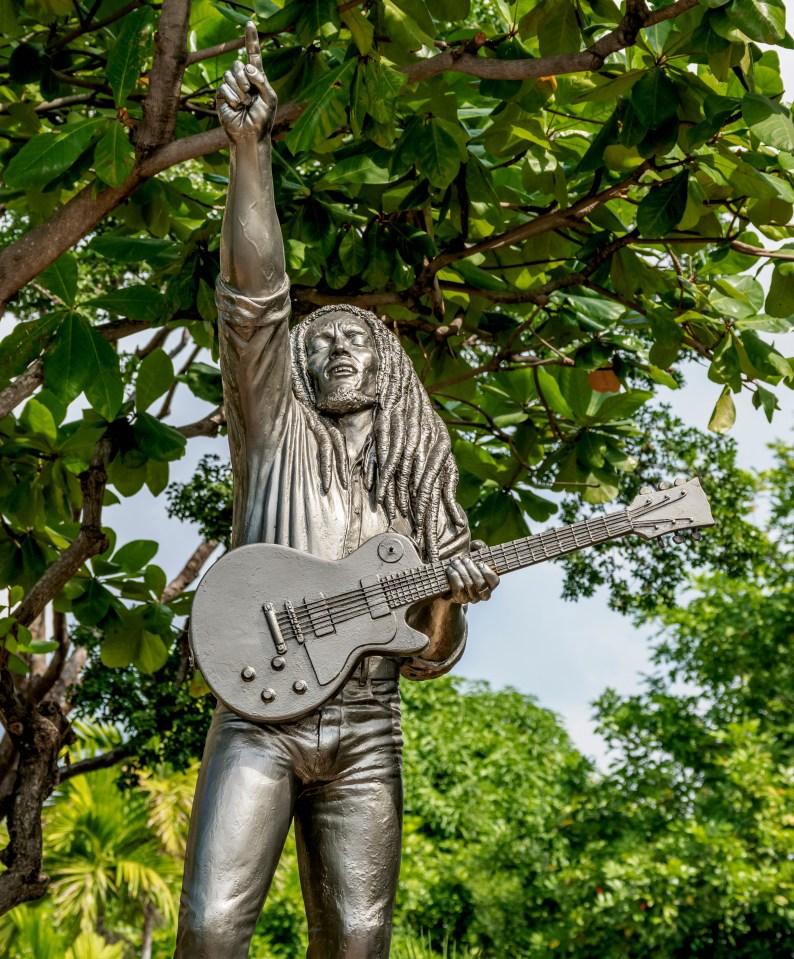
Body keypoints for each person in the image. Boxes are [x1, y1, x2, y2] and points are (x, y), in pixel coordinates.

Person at [174, 23, 499, 959]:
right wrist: (249, 155)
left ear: (391, 369)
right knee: (206, 930)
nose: (336, 346)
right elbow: (256, 301)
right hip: (257, 718)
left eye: (356, 338)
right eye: (320, 342)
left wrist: (446, 593)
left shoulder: (421, 491)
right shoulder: (274, 426)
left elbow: (432, 657)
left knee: (358, 943)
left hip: (369, 729)